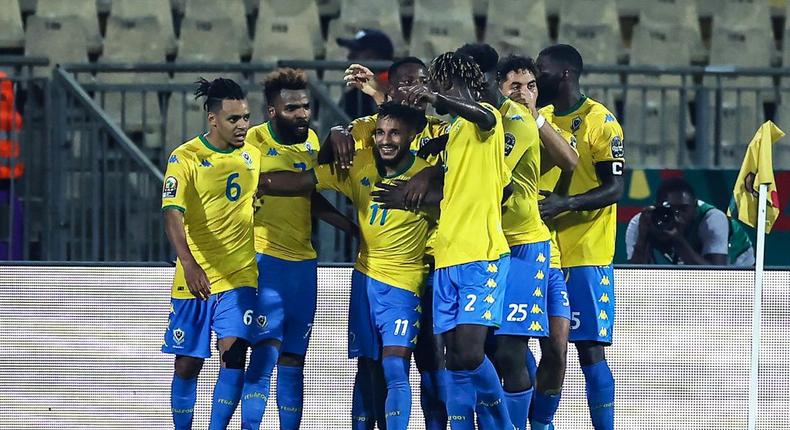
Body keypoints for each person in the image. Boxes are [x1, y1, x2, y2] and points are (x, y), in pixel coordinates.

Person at [258, 102, 436, 430]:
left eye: (395, 133)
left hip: (405, 284)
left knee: (395, 366)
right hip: (365, 281)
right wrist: (256, 180)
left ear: (411, 136)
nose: (386, 140)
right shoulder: (360, 164)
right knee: (368, 367)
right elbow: (303, 182)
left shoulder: (428, 176)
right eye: (380, 132)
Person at [390, 51, 514, 429]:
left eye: (435, 84)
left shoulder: (486, 117)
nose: (430, 91)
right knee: (454, 360)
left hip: (481, 253)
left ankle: (504, 424)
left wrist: (436, 99)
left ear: (447, 83)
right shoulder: (456, 132)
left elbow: (480, 116)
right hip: (447, 256)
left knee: (471, 353)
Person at [338, 56, 451, 430]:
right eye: (406, 82)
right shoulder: (370, 129)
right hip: (381, 270)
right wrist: (337, 130)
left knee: (432, 363)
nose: (415, 89)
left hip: (435, 266)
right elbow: (334, 153)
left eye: (422, 82)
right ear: (391, 88)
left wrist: (434, 171)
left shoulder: (443, 130)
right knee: (372, 363)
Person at [241, 68, 357, 430]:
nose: (303, 114)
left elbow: (310, 197)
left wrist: (352, 228)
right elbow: (247, 188)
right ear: (273, 112)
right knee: (263, 354)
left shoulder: (310, 144)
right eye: (292, 109)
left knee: (294, 358)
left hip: (304, 266)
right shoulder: (253, 144)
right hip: (266, 259)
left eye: (306, 107)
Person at [536, 44, 625, 430]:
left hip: (586, 252)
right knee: (535, 346)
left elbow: (615, 187)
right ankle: (540, 423)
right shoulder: (541, 118)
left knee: (589, 352)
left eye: (543, 70)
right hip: (543, 251)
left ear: (565, 74)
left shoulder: (600, 122)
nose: (537, 77)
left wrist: (565, 204)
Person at [161, 77, 258, 430]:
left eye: (246, 117)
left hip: (241, 275)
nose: (243, 125)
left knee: (235, 357)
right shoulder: (185, 157)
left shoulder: (253, 152)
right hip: (196, 275)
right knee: (188, 364)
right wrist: (188, 263)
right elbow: (172, 213)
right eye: (234, 119)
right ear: (212, 118)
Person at [497, 53, 578, 430]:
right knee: (512, 347)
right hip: (511, 246)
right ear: (499, 88)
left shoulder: (539, 122)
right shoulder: (493, 125)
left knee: (558, 347)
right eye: (515, 86)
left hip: (544, 249)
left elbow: (571, 161)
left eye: (531, 86)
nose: (524, 93)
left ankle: (541, 423)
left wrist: (536, 116)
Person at [626, 177, 755, 266]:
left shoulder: (713, 219)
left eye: (683, 209)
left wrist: (678, 240)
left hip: (739, 264)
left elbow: (716, 275)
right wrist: (643, 236)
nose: (677, 215)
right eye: (669, 209)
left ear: (695, 207)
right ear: (657, 206)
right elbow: (635, 274)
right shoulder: (642, 221)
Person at [337, 29, 395, 118]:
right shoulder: (354, 96)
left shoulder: (397, 90)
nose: (349, 56)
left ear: (375, 55)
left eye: (356, 51)